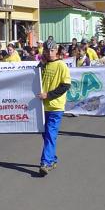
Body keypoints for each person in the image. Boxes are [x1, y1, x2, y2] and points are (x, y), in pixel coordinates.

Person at [36, 40, 71, 175]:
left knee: (50, 134)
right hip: (42, 107)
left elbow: (65, 85)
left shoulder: (61, 66)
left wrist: (48, 95)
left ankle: (45, 163)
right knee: (46, 135)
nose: (49, 53)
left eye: (52, 50)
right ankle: (52, 159)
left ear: (56, 51)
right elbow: (33, 76)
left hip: (56, 106)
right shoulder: (43, 65)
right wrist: (41, 63)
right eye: (47, 50)